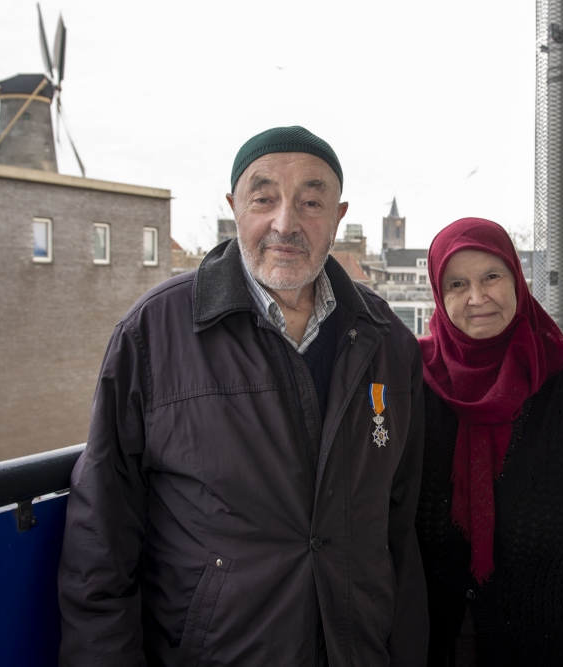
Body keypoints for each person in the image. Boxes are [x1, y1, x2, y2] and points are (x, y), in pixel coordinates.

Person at [57, 126, 428, 666]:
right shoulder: (155, 332)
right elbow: (102, 533)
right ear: (235, 207)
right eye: (264, 198)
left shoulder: (388, 341)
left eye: (310, 201)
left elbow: (400, 529)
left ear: (338, 217)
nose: (286, 223)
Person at [414, 218, 563, 667]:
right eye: (457, 283)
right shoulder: (411, 385)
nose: (477, 298)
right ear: (438, 294)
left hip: (550, 640)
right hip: (432, 642)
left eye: (492, 276)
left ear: (518, 278)